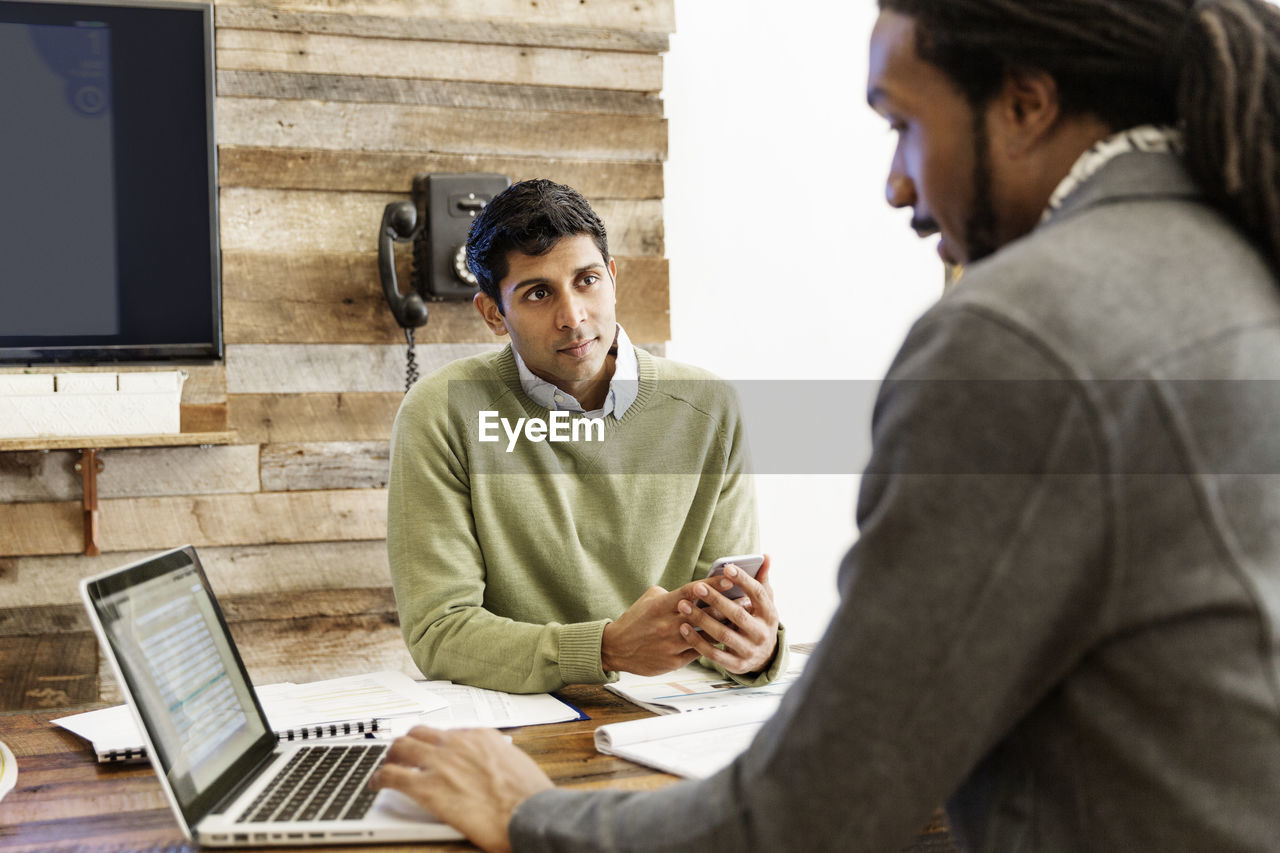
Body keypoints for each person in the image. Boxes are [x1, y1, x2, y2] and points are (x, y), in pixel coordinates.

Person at [371, 1, 1280, 850]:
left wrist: (531, 812)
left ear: (1027, 104)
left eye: (901, 122)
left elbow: (815, 802)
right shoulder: (1240, 254)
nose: (894, 184)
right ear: (494, 312)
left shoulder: (1017, 335)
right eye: (536, 293)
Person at [386, 179, 787, 694]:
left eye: (587, 280)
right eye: (537, 292)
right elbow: (439, 632)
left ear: (613, 278)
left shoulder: (710, 407)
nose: (572, 317)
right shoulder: (440, 412)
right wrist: (605, 649)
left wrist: (755, 650)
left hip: (673, 718)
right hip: (521, 728)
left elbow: (721, 616)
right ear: (493, 313)